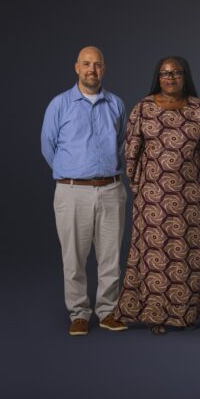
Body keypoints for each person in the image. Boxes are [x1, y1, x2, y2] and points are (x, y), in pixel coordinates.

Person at [116, 57, 200, 334]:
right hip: (153, 197)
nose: (170, 77)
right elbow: (132, 150)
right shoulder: (143, 108)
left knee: (187, 254)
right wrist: (139, 185)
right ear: (157, 77)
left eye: (176, 73)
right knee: (155, 256)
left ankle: (184, 313)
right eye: (164, 73)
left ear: (185, 76)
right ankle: (155, 315)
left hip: (190, 196)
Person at [41, 46, 128, 336]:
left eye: (98, 64)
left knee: (111, 256)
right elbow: (48, 146)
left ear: (105, 68)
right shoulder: (60, 104)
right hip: (72, 191)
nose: (93, 69)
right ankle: (78, 313)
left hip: (111, 189)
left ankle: (107, 310)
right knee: (74, 257)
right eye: (87, 64)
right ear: (77, 67)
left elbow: (121, 144)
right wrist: (73, 172)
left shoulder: (116, 104)